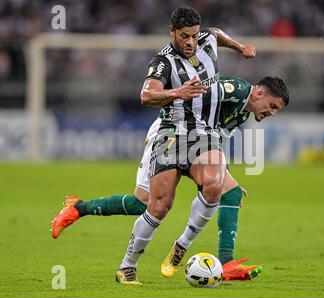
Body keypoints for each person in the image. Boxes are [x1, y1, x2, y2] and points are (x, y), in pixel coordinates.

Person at [53, 6, 257, 285]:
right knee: (157, 206)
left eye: (194, 36)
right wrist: (177, 93)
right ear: (171, 32)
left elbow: (216, 34)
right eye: (184, 36)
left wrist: (238, 46)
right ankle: (127, 267)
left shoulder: (206, 39)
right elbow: (146, 95)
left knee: (214, 185)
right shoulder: (163, 61)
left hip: (204, 135)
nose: (190, 42)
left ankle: (182, 245)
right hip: (171, 133)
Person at [51, 75, 289, 283]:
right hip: (170, 135)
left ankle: (220, 261)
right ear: (258, 93)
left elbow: (218, 142)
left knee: (231, 192)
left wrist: (225, 174)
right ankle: (78, 208)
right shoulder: (231, 90)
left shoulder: (241, 113)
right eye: (272, 106)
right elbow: (187, 97)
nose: (272, 113)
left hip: (200, 145)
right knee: (143, 204)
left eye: (277, 110)